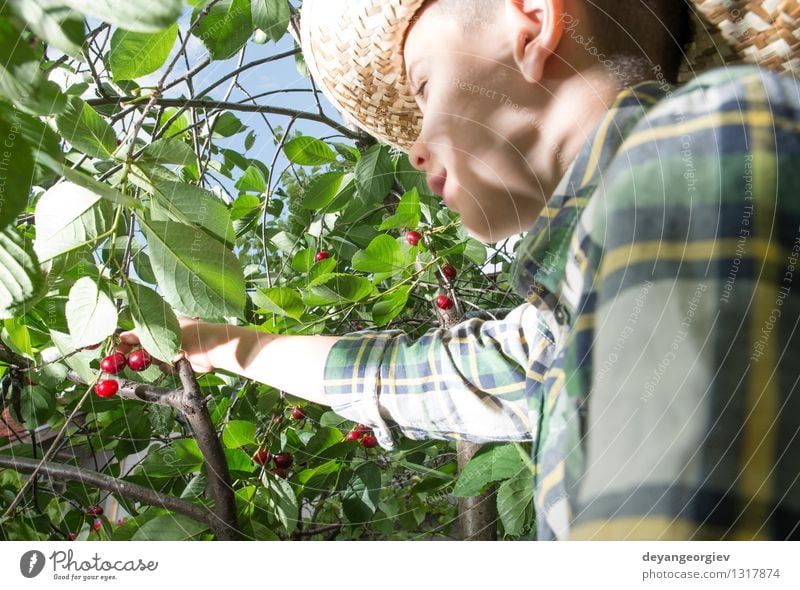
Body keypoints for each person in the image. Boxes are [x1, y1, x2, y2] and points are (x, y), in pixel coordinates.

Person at [119, 0, 800, 540]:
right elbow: (425, 375)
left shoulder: (710, 140)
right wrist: (227, 346)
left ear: (533, 22)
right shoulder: (580, 314)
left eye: (423, 85)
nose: (412, 147)